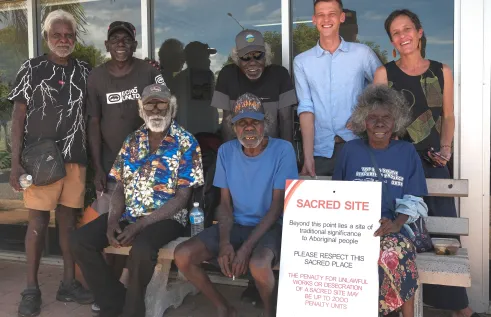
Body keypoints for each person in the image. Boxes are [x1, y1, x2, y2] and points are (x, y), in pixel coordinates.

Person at [373, 10, 480, 317]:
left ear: (419, 32)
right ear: (391, 40)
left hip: (433, 164)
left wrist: (446, 147)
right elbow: (379, 121)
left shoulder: (440, 71)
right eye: (395, 32)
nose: (402, 35)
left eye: (407, 29)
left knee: (444, 235)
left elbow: (447, 116)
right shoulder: (385, 75)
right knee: (401, 234)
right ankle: (398, 302)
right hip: (399, 166)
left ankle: (458, 306)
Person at [70, 83, 204, 317]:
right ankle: (113, 303)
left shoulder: (186, 142)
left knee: (142, 250)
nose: (155, 109)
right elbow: (120, 187)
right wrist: (112, 221)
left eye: (161, 103)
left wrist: (142, 224)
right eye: (149, 104)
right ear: (141, 109)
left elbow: (183, 197)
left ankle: (133, 310)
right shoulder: (132, 140)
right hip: (129, 214)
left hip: (168, 218)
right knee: (80, 241)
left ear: (171, 107)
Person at [174, 93, 299, 317]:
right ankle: (224, 307)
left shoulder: (283, 150)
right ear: (234, 126)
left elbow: (277, 207)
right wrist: (224, 243)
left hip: (271, 226)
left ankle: (270, 313)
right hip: (237, 225)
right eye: (242, 123)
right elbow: (224, 204)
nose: (249, 128)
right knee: (183, 255)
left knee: (259, 265)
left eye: (254, 122)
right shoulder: (226, 151)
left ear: (265, 124)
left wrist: (246, 248)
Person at [7, 9, 93, 317]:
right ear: (46, 38)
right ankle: (31, 289)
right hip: (41, 161)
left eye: (68, 35)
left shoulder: (84, 70)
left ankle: (68, 284)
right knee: (38, 224)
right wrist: (15, 163)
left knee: (69, 224)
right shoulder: (31, 68)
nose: (63, 40)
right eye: (57, 34)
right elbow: (17, 118)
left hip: (75, 159)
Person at [333, 84, 426, 317]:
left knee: (395, 253)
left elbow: (414, 198)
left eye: (386, 118)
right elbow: (336, 194)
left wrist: (396, 224)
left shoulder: (406, 152)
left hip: (393, 227)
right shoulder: (350, 150)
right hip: (353, 228)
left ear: (396, 122)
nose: (380, 124)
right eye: (373, 118)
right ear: (364, 122)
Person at [294, 0, 381, 177]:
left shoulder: (362, 53)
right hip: (320, 152)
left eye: (332, 13)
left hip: (359, 146)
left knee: (359, 204)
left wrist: (363, 115)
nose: (326, 19)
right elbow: (306, 109)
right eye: (321, 14)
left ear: (341, 17)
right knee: (320, 203)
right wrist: (308, 157)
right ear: (314, 19)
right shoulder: (302, 62)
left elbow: (383, 90)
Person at [87, 20, 165, 215]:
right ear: (106, 45)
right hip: (110, 168)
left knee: (141, 224)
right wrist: (97, 168)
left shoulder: (149, 72)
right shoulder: (96, 77)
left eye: (126, 39)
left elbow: (166, 115)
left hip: (146, 166)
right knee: (107, 226)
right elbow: (94, 123)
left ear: (135, 45)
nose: (120, 43)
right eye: (115, 39)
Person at [212, 29, 297, 143]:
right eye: (245, 57)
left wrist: (287, 153)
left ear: (266, 55)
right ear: (237, 58)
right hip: (238, 148)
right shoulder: (227, 75)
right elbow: (227, 121)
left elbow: (286, 119)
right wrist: (230, 154)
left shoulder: (280, 75)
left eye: (258, 55)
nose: (252, 62)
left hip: (272, 149)